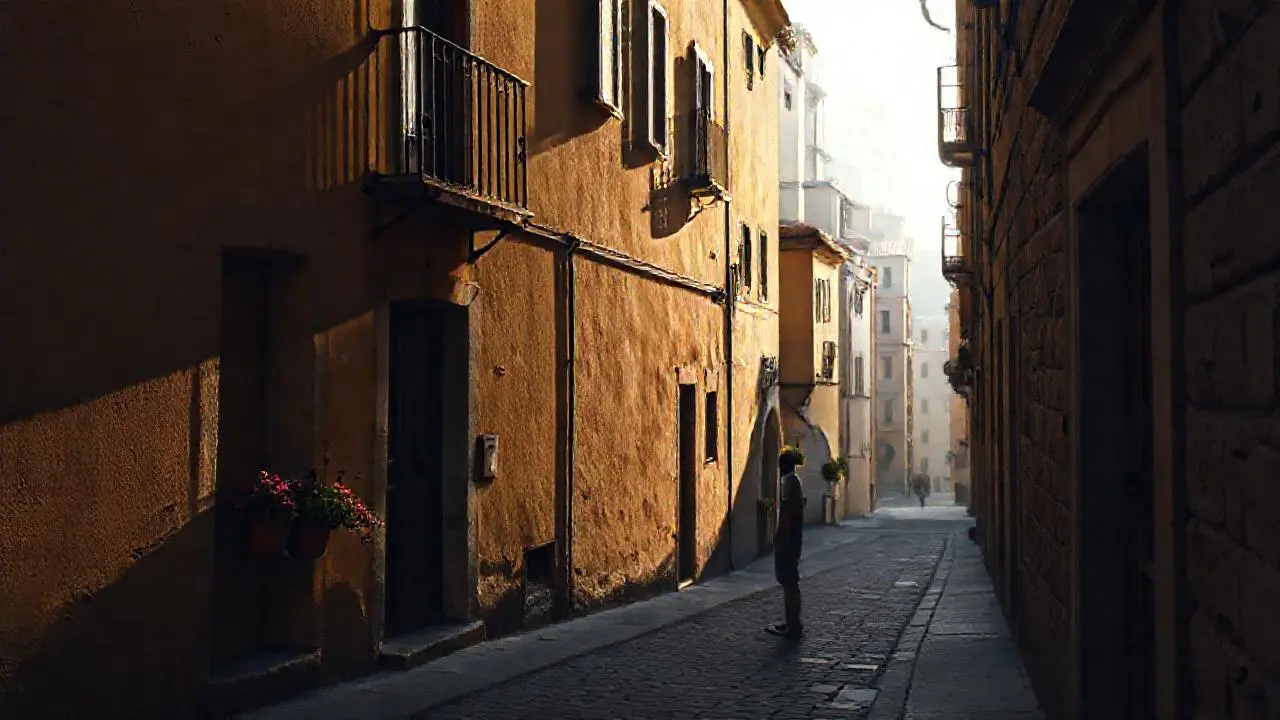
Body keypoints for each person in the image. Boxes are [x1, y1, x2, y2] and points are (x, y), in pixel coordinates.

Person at [766, 446, 806, 639]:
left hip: (788, 540)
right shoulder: (793, 481)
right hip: (792, 539)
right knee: (789, 583)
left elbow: (788, 513)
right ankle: (791, 622)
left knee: (789, 583)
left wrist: (780, 536)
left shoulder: (790, 481)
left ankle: (793, 625)